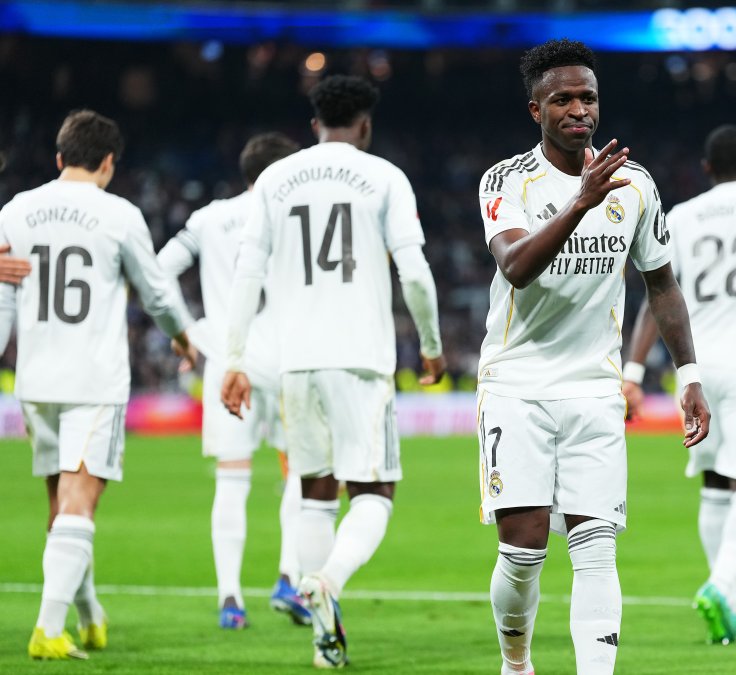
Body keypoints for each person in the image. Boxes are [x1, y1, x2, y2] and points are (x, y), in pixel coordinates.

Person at [476, 39, 710, 675]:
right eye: (563, 100)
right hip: (517, 386)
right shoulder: (506, 180)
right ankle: (516, 661)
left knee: (596, 547)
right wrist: (580, 200)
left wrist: (687, 373)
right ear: (536, 110)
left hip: (594, 390)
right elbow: (518, 267)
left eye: (588, 98)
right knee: (522, 555)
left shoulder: (634, 185)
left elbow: (661, 283)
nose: (578, 110)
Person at [221, 75, 445, 668]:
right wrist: (431, 344)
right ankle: (331, 581)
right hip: (360, 358)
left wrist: (236, 357)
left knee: (315, 491)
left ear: (313, 123)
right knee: (375, 490)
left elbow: (247, 274)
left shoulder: (274, 179)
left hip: (295, 361)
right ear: (365, 125)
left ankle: (324, 636)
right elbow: (415, 273)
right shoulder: (384, 176)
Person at [0, 110, 193, 660]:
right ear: (109, 163)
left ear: (58, 158)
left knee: (63, 505)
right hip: (93, 381)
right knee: (79, 503)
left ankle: (88, 616)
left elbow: (3, 297)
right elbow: (156, 292)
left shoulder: (17, 210)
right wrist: (181, 338)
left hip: (36, 381)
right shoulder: (119, 215)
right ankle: (47, 630)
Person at [621, 124, 736, 645]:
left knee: (712, 482)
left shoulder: (681, 217)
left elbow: (654, 298)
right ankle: (722, 583)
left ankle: (732, 599)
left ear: (706, 170)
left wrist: (632, 373)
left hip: (697, 372)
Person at [158, 132, 309, 629]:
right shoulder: (293, 215)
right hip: (286, 360)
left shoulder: (208, 218)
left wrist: (188, 335)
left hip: (227, 359)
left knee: (232, 477)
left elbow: (161, 270)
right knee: (301, 472)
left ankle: (230, 600)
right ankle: (289, 578)